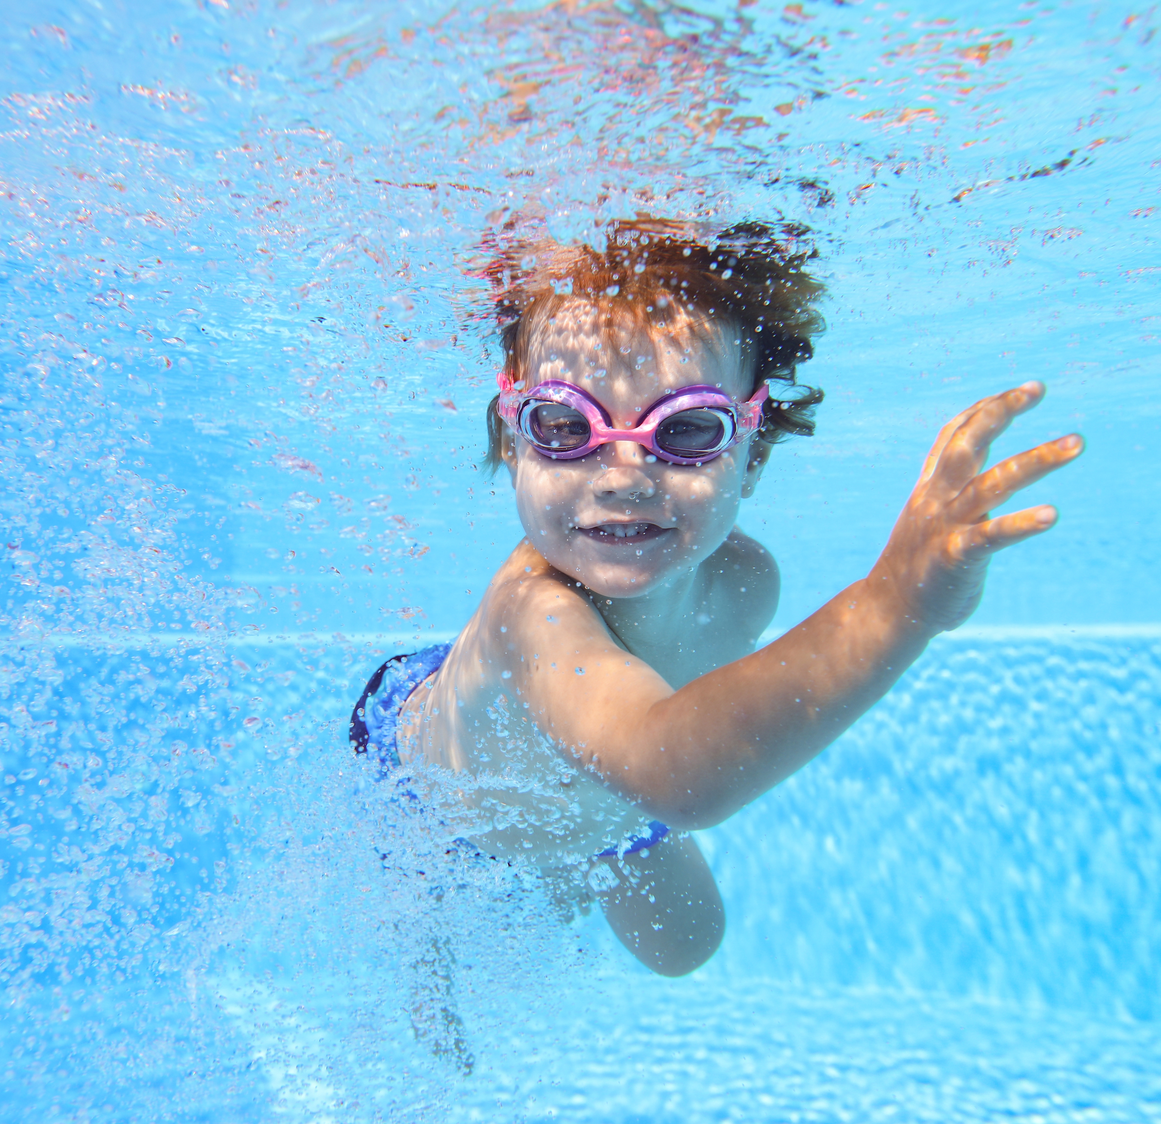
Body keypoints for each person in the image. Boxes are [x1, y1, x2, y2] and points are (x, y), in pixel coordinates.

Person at [349, 217, 1083, 977]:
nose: (625, 476)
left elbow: (682, 732)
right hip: (428, 787)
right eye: (566, 426)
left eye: (688, 430)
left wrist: (617, 797)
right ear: (512, 447)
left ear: (752, 459)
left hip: (605, 794)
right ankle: (430, 960)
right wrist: (896, 608)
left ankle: (570, 845)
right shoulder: (533, 612)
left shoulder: (743, 584)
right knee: (425, 929)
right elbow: (671, 768)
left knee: (687, 946)